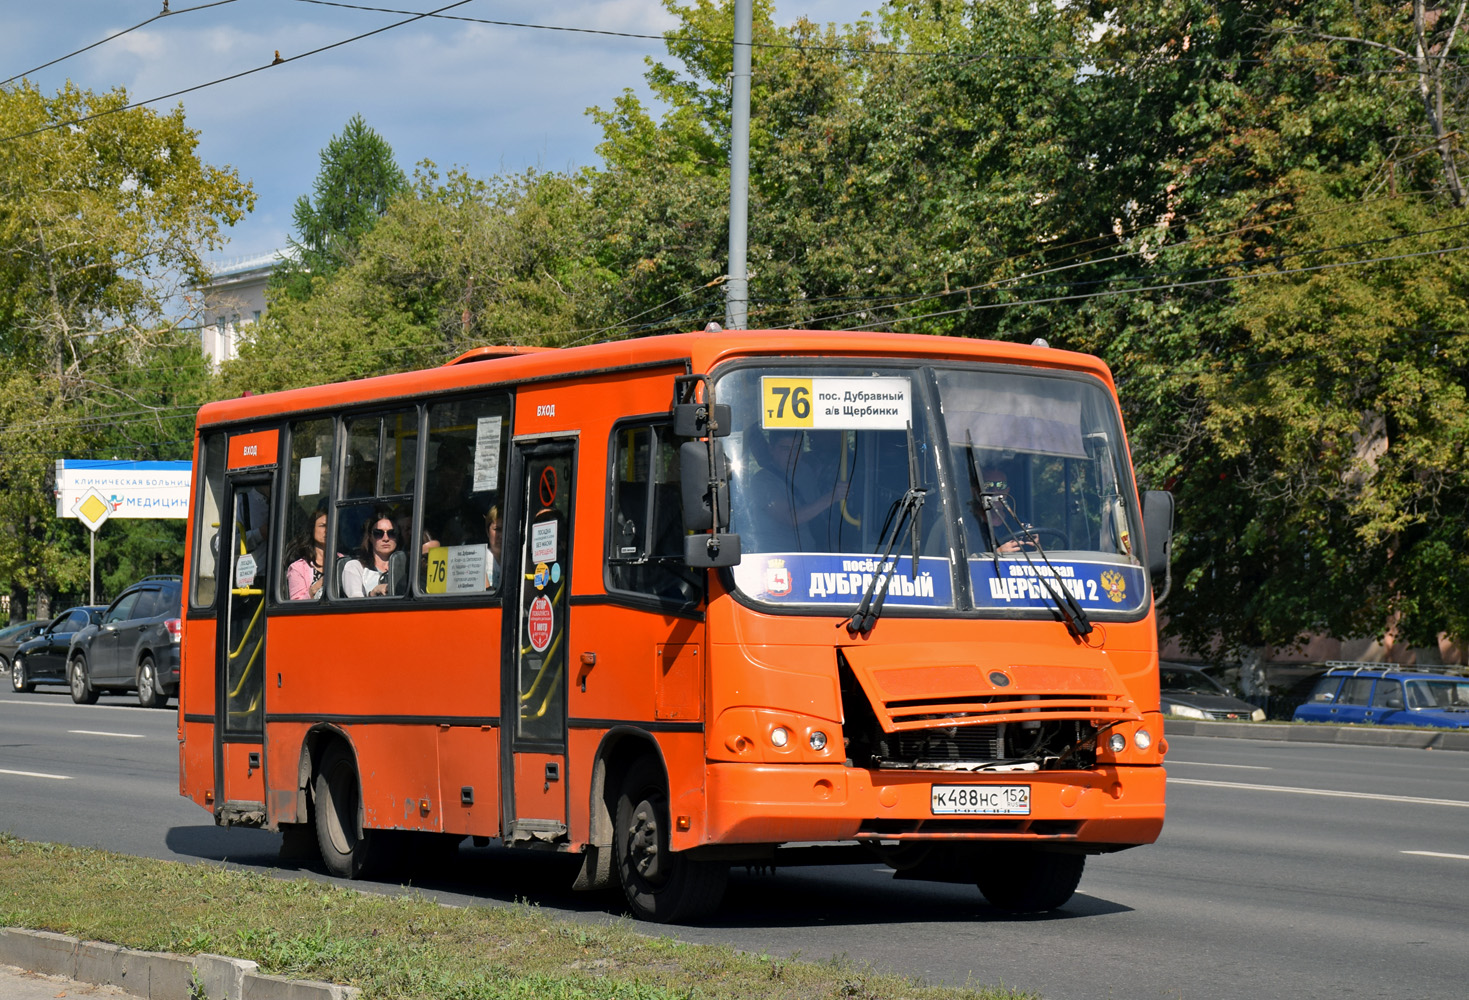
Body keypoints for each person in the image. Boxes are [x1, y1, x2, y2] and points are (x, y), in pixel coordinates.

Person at [342, 509, 403, 598]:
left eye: (391, 533)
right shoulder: (355, 567)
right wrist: (373, 593)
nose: (385, 538)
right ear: (370, 537)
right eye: (378, 533)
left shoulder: (407, 567)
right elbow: (356, 604)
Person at [285, 508, 329, 600]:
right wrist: (314, 588)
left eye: (330, 526)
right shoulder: (298, 568)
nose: (327, 530)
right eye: (322, 526)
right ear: (312, 529)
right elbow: (295, 607)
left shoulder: (342, 561)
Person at [484, 504, 503, 588]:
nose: (501, 536)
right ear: (487, 532)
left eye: (506, 529)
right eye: (497, 529)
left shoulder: (519, 559)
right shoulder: (480, 560)